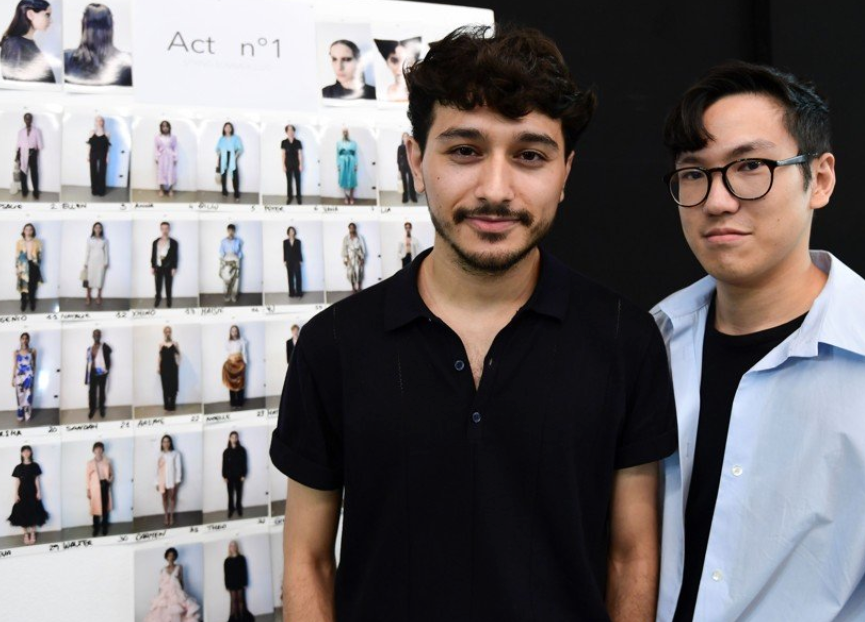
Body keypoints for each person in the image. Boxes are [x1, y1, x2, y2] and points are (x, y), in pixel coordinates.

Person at [270, 25, 677, 622]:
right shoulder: (334, 344)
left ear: (565, 173)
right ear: (416, 159)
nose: (495, 189)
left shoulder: (625, 338)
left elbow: (631, 556)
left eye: (530, 156)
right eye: (465, 150)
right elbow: (307, 561)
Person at [653, 62, 865, 622]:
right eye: (693, 173)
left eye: (750, 166)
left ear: (820, 179)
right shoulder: (655, 338)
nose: (717, 200)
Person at [63, 2, 132, 87]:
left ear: (83, 25)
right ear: (111, 25)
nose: (96, 32)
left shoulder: (65, 59)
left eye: (98, 25)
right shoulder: (128, 63)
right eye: (93, 25)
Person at [0, 0, 55, 83]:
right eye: (47, 14)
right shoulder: (14, 44)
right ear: (30, 14)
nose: (51, 20)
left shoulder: (23, 42)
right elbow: (15, 84)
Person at [143, 547, 201, 622]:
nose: (171, 557)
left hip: (176, 591)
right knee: (162, 610)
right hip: (165, 593)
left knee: (179, 609)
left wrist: (182, 594)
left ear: (175, 557)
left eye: (173, 555)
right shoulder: (162, 570)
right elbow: (160, 584)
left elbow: (181, 580)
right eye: (169, 555)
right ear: (166, 557)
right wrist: (159, 596)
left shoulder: (179, 567)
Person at [7, 444, 48, 545]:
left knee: (34, 513)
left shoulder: (35, 466)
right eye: (24, 451)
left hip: (33, 492)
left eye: (28, 451)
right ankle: (25, 534)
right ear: (21, 453)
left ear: (31, 453)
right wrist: (16, 494)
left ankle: (33, 533)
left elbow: (37, 479)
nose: (26, 453)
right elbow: (17, 482)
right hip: (22, 493)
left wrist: (39, 491)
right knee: (21, 514)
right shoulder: (18, 467)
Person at [374, 37, 421, 102]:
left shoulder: (423, 93)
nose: (400, 68)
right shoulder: (382, 94)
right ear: (387, 62)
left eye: (407, 61)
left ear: (415, 62)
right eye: (394, 60)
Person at [85, 441, 113, 537]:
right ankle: (96, 527)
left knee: (104, 508)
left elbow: (112, 474)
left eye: (100, 448)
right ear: (93, 450)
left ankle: (104, 526)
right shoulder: (90, 463)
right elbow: (87, 477)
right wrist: (88, 490)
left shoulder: (107, 461)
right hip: (94, 488)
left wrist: (109, 480)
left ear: (103, 450)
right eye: (96, 448)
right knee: (95, 508)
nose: (98, 450)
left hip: (105, 485)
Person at [85, 328, 111, 419]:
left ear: (100, 336)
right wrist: (87, 375)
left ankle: (101, 409)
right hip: (92, 373)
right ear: (92, 336)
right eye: (95, 334)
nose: (96, 336)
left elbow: (108, 360)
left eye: (98, 334)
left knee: (101, 392)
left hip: (102, 373)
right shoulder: (89, 349)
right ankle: (92, 409)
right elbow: (88, 363)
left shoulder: (105, 346)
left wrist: (107, 370)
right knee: (91, 392)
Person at [15, 112, 42, 200]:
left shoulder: (36, 131)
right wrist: (17, 156)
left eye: (29, 118)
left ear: (31, 119)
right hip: (23, 153)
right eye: (26, 118)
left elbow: (40, 145)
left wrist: (35, 152)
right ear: (24, 120)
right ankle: (24, 191)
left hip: (32, 153)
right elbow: (18, 145)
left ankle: (36, 192)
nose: (28, 120)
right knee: (23, 173)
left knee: (34, 173)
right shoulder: (21, 132)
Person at [155, 435, 182, 527]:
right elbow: (156, 469)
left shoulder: (175, 453)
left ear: (170, 443)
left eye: (167, 441)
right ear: (161, 443)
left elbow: (178, 467)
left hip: (172, 479)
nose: (166, 443)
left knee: (172, 498)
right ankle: (166, 515)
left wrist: (177, 480)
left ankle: (171, 515)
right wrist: (156, 482)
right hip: (162, 480)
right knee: (164, 498)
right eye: (164, 441)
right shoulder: (159, 454)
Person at [150, 221, 178, 308]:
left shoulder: (174, 242)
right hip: (158, 267)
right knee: (157, 285)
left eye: (166, 228)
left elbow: (175, 256)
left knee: (168, 285)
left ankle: (168, 300)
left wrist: (174, 267)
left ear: (169, 229)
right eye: (163, 228)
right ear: (160, 229)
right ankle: (158, 298)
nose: (165, 230)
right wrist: (152, 266)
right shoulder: (155, 242)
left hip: (168, 267)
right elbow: (153, 255)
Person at [15, 222, 42, 312]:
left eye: (30, 229)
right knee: (23, 286)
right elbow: (17, 256)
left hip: (33, 265)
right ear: (23, 230)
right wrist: (17, 268)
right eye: (26, 229)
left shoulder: (37, 242)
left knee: (32, 286)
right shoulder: (19, 242)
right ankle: (23, 302)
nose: (28, 231)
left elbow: (40, 255)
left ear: (33, 231)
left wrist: (37, 263)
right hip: (23, 266)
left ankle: (32, 302)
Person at [224, 540, 253, 622]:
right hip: (231, 584)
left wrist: (245, 583)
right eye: (231, 546)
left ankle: (242, 618)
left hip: (240, 582)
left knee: (241, 601)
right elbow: (226, 574)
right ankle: (236, 619)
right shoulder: (227, 561)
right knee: (233, 602)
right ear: (229, 548)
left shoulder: (242, 558)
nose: (232, 547)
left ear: (236, 547)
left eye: (234, 545)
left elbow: (245, 571)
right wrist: (226, 585)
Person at [222, 431, 247, 519]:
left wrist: (244, 474)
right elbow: (224, 464)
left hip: (239, 476)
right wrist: (224, 476)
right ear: (229, 438)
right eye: (232, 437)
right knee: (230, 494)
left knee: (239, 493)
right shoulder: (226, 452)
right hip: (229, 477)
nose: (234, 439)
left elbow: (244, 463)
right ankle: (231, 509)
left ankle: (239, 508)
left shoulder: (242, 450)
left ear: (237, 438)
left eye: (235, 437)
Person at [11, 332, 35, 422]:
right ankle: (20, 415)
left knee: (28, 396)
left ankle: (27, 415)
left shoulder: (32, 351)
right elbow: (15, 365)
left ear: (28, 340)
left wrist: (33, 376)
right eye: (23, 338)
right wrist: (13, 378)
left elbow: (34, 364)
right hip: (19, 377)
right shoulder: (16, 352)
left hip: (29, 376)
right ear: (20, 340)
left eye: (26, 338)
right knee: (20, 396)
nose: (24, 340)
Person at [83, 221, 108, 306]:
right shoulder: (89, 239)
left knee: (100, 279)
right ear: (93, 229)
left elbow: (106, 252)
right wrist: (85, 263)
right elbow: (87, 252)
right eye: (96, 227)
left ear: (101, 229)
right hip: (91, 262)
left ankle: (98, 296)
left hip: (101, 262)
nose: (98, 229)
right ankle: (88, 296)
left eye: (99, 227)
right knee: (89, 280)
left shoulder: (104, 240)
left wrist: (106, 262)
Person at [217, 122, 243, 202]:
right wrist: (219, 157)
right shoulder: (221, 138)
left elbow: (240, 148)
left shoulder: (236, 138)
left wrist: (235, 156)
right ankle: (224, 191)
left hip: (232, 157)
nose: (228, 128)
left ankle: (236, 194)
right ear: (224, 128)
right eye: (226, 127)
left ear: (231, 128)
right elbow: (218, 149)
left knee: (235, 176)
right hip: (223, 157)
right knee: (223, 175)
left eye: (229, 127)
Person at [223, 325, 247, 409]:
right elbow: (227, 353)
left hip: (240, 364)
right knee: (231, 383)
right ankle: (233, 403)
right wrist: (227, 362)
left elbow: (244, 352)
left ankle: (240, 403)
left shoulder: (242, 341)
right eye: (232, 331)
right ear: (230, 332)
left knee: (240, 383)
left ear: (237, 332)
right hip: (230, 364)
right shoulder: (227, 342)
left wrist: (245, 363)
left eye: (235, 331)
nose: (234, 332)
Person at [86, 115, 110, 197]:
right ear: (95, 122)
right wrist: (88, 155)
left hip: (103, 154)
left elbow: (107, 147)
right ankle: (94, 190)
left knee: (102, 172)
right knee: (93, 171)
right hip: (93, 153)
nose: (99, 122)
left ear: (103, 122)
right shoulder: (92, 132)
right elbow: (89, 145)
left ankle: (101, 190)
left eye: (101, 120)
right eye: (97, 120)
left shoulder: (107, 133)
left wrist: (107, 156)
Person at [157, 326, 180, 412]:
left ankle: (172, 405)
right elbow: (160, 357)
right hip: (164, 367)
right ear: (164, 333)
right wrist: (158, 367)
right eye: (166, 332)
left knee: (173, 386)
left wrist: (177, 364)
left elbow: (178, 355)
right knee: (165, 386)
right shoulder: (161, 344)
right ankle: (166, 406)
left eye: (169, 331)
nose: (168, 333)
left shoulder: (175, 343)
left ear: (171, 332)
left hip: (173, 367)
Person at [219, 224, 243, 304]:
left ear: (234, 231)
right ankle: (227, 295)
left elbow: (239, 252)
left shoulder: (238, 241)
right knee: (226, 279)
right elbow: (221, 252)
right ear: (227, 231)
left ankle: (233, 295)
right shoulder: (223, 241)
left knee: (235, 279)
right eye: (229, 230)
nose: (231, 232)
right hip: (226, 261)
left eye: (232, 230)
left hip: (235, 260)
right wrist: (222, 263)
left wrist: (238, 257)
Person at [280, 125, 303, 205]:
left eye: (292, 130)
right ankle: (289, 197)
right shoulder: (283, 142)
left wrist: (301, 165)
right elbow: (283, 154)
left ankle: (298, 197)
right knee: (289, 182)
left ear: (294, 131)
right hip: (288, 164)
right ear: (286, 132)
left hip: (296, 164)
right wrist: (283, 165)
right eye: (289, 130)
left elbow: (300, 154)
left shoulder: (298, 142)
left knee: (298, 181)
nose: (290, 132)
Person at [154, 120, 177, 198]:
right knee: (161, 173)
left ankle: (171, 189)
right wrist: (157, 157)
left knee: (170, 172)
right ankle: (161, 189)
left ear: (169, 127)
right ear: (161, 128)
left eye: (166, 126)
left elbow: (175, 148)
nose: (165, 128)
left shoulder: (173, 137)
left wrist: (175, 158)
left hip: (170, 157)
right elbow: (156, 148)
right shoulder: (157, 137)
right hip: (161, 157)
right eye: (163, 126)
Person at [340, 222, 365, 292]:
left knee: (359, 272)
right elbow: (344, 249)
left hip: (358, 257)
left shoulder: (359, 237)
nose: (352, 229)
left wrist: (362, 258)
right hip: (350, 258)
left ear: (355, 228)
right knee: (351, 273)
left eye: (353, 227)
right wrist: (345, 259)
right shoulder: (346, 238)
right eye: (350, 228)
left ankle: (359, 287)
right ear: (349, 228)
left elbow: (362, 248)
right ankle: (353, 287)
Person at [335, 129, 358, 204]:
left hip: (351, 161)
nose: (345, 133)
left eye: (346, 132)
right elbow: (337, 155)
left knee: (352, 179)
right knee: (343, 178)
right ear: (342, 133)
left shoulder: (353, 143)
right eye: (344, 132)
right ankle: (346, 196)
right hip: (342, 162)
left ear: (348, 133)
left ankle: (351, 197)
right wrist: (338, 165)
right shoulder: (339, 143)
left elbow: (355, 155)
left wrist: (356, 165)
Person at [396, 132, 416, 203]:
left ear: (408, 138)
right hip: (403, 167)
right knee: (404, 182)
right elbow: (398, 159)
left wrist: (414, 167)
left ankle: (413, 197)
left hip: (410, 166)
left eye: (406, 136)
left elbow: (414, 157)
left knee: (411, 182)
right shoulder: (400, 147)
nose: (405, 138)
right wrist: (399, 170)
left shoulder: (411, 146)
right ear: (402, 138)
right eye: (404, 137)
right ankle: (405, 198)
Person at [283, 226, 303, 298]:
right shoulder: (285, 242)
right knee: (290, 277)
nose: (291, 232)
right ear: (288, 232)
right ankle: (291, 293)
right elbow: (284, 252)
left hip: (297, 261)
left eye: (293, 231)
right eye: (290, 231)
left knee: (298, 277)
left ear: (294, 232)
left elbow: (299, 251)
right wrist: (285, 260)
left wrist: (301, 261)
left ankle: (299, 292)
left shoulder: (298, 241)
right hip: (289, 261)